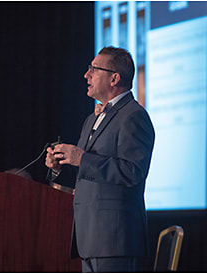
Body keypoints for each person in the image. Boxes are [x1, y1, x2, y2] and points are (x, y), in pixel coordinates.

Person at [45, 46, 155, 273]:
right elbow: (86, 173)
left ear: (114, 78)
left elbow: (133, 172)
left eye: (93, 69)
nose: (86, 75)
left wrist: (81, 158)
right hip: (89, 239)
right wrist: (59, 167)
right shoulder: (91, 119)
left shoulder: (133, 116)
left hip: (115, 241)